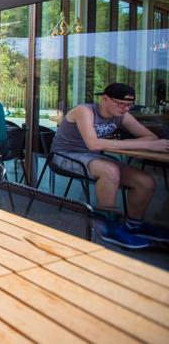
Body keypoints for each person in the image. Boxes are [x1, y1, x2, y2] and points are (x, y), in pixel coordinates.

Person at [51, 82, 169, 249]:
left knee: (145, 181)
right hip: (64, 156)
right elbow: (93, 144)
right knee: (110, 171)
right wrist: (142, 145)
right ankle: (106, 227)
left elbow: (151, 138)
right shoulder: (84, 111)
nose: (125, 109)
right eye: (121, 104)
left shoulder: (122, 115)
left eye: (129, 105)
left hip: (94, 158)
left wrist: (138, 144)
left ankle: (134, 225)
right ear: (105, 99)